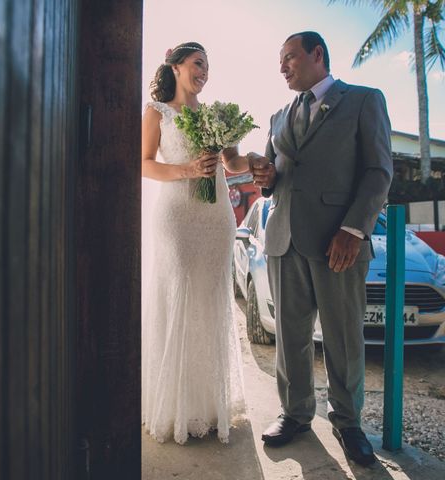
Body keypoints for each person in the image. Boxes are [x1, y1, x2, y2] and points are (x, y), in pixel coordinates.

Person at [252, 32, 392, 465]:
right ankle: (295, 414)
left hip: (338, 243)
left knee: (344, 336)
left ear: (317, 55)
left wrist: (354, 229)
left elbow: (377, 171)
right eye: (280, 61)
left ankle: (348, 422)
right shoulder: (278, 115)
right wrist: (264, 175)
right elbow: (275, 175)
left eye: (289, 57)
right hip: (283, 240)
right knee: (290, 336)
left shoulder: (364, 100)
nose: (282, 67)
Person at [141, 42, 250, 444]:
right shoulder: (157, 112)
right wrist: (186, 169)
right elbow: (143, 162)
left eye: (208, 65)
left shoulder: (216, 115)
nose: (204, 71)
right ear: (175, 66)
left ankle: (206, 408)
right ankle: (175, 408)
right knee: (181, 295)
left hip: (216, 216)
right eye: (198, 63)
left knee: (210, 299)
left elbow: (232, 163)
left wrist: (252, 161)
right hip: (177, 216)